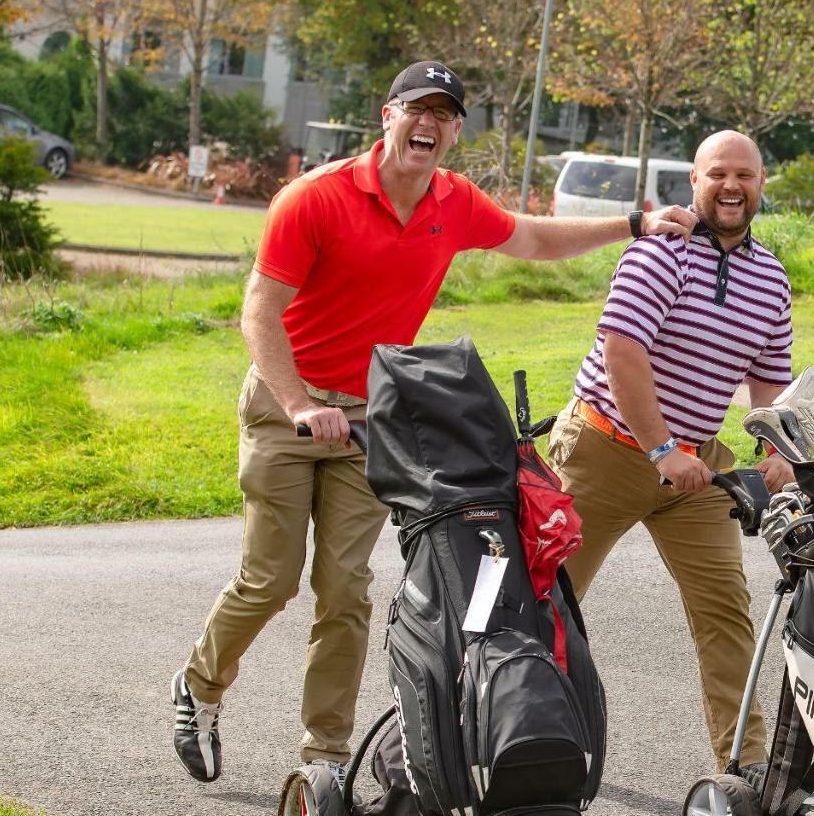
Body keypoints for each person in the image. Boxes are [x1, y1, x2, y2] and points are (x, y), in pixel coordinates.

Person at [170, 60, 698, 784]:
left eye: (445, 114)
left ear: (454, 130)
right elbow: (259, 311)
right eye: (417, 108)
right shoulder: (314, 199)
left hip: (368, 421)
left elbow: (533, 239)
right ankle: (199, 686)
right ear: (387, 115)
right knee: (271, 579)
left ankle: (324, 754)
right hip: (284, 406)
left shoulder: (453, 201)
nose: (430, 123)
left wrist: (633, 223)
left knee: (346, 589)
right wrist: (298, 404)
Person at [546, 130, 795, 775]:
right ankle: (512, 746)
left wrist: (773, 443)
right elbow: (622, 354)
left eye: (744, 174)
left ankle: (744, 767)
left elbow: (769, 376)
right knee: (542, 603)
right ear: (694, 180)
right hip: (605, 450)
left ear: (762, 181)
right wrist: (660, 449)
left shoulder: (771, 275)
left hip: (694, 468)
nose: (732, 187)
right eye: (718, 174)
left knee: (725, 613)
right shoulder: (660, 255)